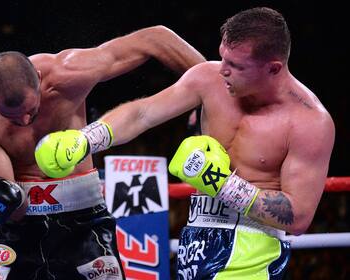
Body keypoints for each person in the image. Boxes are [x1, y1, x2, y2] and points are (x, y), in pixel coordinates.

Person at [35, 7, 335, 280]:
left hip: (253, 248)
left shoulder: (309, 123)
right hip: (196, 238)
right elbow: (142, 113)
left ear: (273, 68)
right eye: (222, 57)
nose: (222, 70)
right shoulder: (208, 79)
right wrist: (86, 139)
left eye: (235, 65)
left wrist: (220, 183)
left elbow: (298, 216)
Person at [0, 25, 206, 280]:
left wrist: (216, 92)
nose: (24, 120)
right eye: (12, 116)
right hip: (18, 228)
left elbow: (155, 38)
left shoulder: (68, 72)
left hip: (84, 221)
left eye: (32, 109)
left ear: (40, 79)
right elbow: (16, 208)